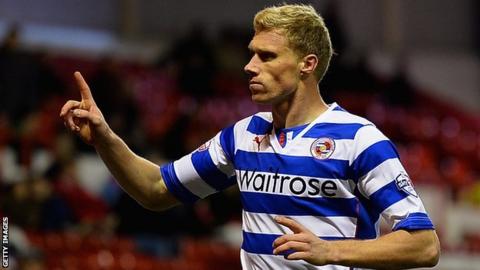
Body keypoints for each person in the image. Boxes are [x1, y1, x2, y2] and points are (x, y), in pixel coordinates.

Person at [60, 4, 440, 269]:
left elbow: (423, 245)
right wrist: (106, 137)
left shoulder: (360, 139)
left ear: (307, 64)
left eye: (267, 56)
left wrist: (331, 251)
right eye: (251, 54)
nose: (248, 66)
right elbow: (156, 190)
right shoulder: (243, 135)